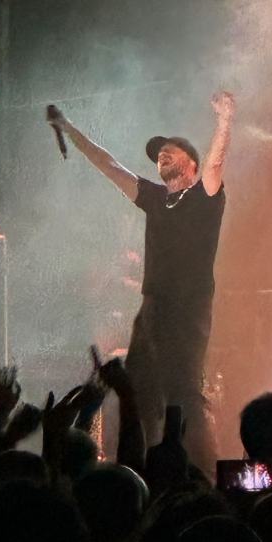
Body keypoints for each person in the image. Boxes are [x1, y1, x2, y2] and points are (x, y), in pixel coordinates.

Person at [47, 92, 236, 473]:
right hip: (152, 307)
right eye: (158, 153)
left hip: (188, 308)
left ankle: (204, 476)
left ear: (192, 164)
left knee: (183, 391)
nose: (162, 155)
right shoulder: (152, 198)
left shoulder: (205, 197)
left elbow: (216, 161)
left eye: (171, 151)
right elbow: (109, 164)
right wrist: (69, 128)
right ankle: (137, 472)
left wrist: (225, 120)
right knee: (138, 391)